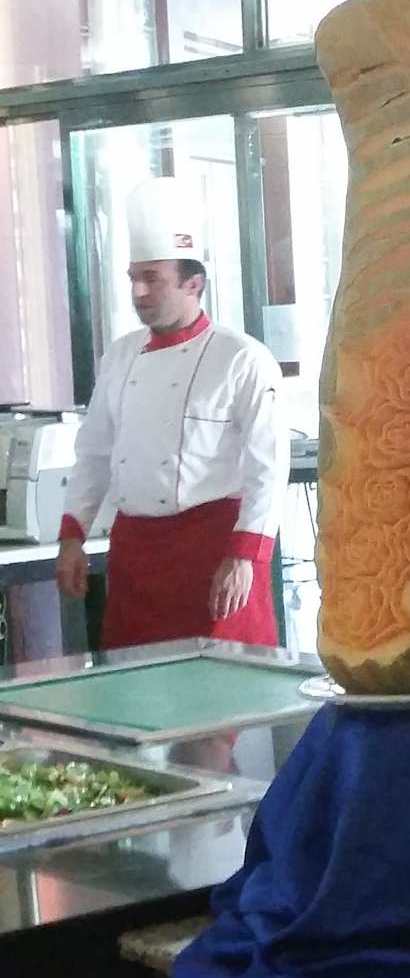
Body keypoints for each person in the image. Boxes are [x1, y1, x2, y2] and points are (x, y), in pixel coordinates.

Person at [53, 179, 287, 648]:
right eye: (133, 278)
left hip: (213, 552)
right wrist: (72, 536)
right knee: (136, 685)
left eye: (152, 278)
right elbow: (94, 453)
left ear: (192, 283)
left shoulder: (243, 359)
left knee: (225, 682)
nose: (138, 291)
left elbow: (269, 467)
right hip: (136, 557)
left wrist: (246, 556)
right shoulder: (119, 356)